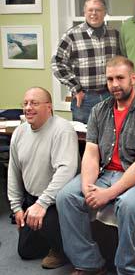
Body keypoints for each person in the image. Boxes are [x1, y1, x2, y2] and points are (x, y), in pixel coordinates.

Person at [56, 56, 135, 275]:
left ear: (133, 78)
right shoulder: (99, 110)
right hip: (107, 172)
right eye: (110, 79)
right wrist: (87, 187)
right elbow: (92, 154)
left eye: (120, 78)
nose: (115, 84)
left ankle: (128, 270)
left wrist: (109, 194)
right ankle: (89, 263)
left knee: (128, 205)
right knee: (66, 196)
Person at [7, 87, 79, 269]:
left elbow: (66, 171)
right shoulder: (19, 132)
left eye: (35, 103)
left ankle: (61, 248)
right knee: (26, 251)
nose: (28, 108)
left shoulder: (62, 130)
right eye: (25, 103)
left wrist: (43, 203)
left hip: (58, 201)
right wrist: (16, 207)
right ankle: (52, 236)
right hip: (32, 199)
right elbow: (13, 172)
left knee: (48, 225)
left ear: (49, 107)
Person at [52, 0, 119, 124]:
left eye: (98, 10)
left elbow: (120, 64)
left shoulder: (114, 35)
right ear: (84, 12)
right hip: (84, 98)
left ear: (105, 12)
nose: (94, 13)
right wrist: (76, 89)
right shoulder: (72, 35)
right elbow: (57, 63)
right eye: (90, 10)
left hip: (110, 95)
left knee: (110, 138)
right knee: (84, 140)